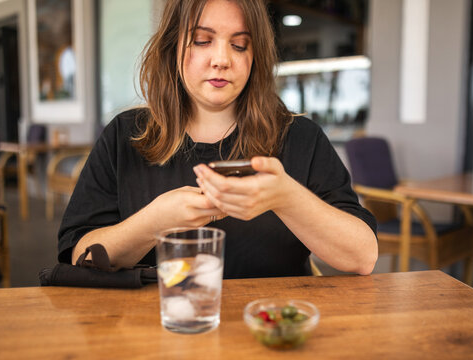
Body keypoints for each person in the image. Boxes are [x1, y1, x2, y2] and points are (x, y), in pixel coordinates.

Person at [58, 0, 378, 278]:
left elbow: (362, 257)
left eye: (239, 45)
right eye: (201, 40)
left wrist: (286, 198)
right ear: (172, 45)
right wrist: (154, 222)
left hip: (270, 334)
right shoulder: (123, 136)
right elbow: (79, 257)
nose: (221, 59)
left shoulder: (299, 137)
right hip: (157, 335)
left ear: (255, 57)